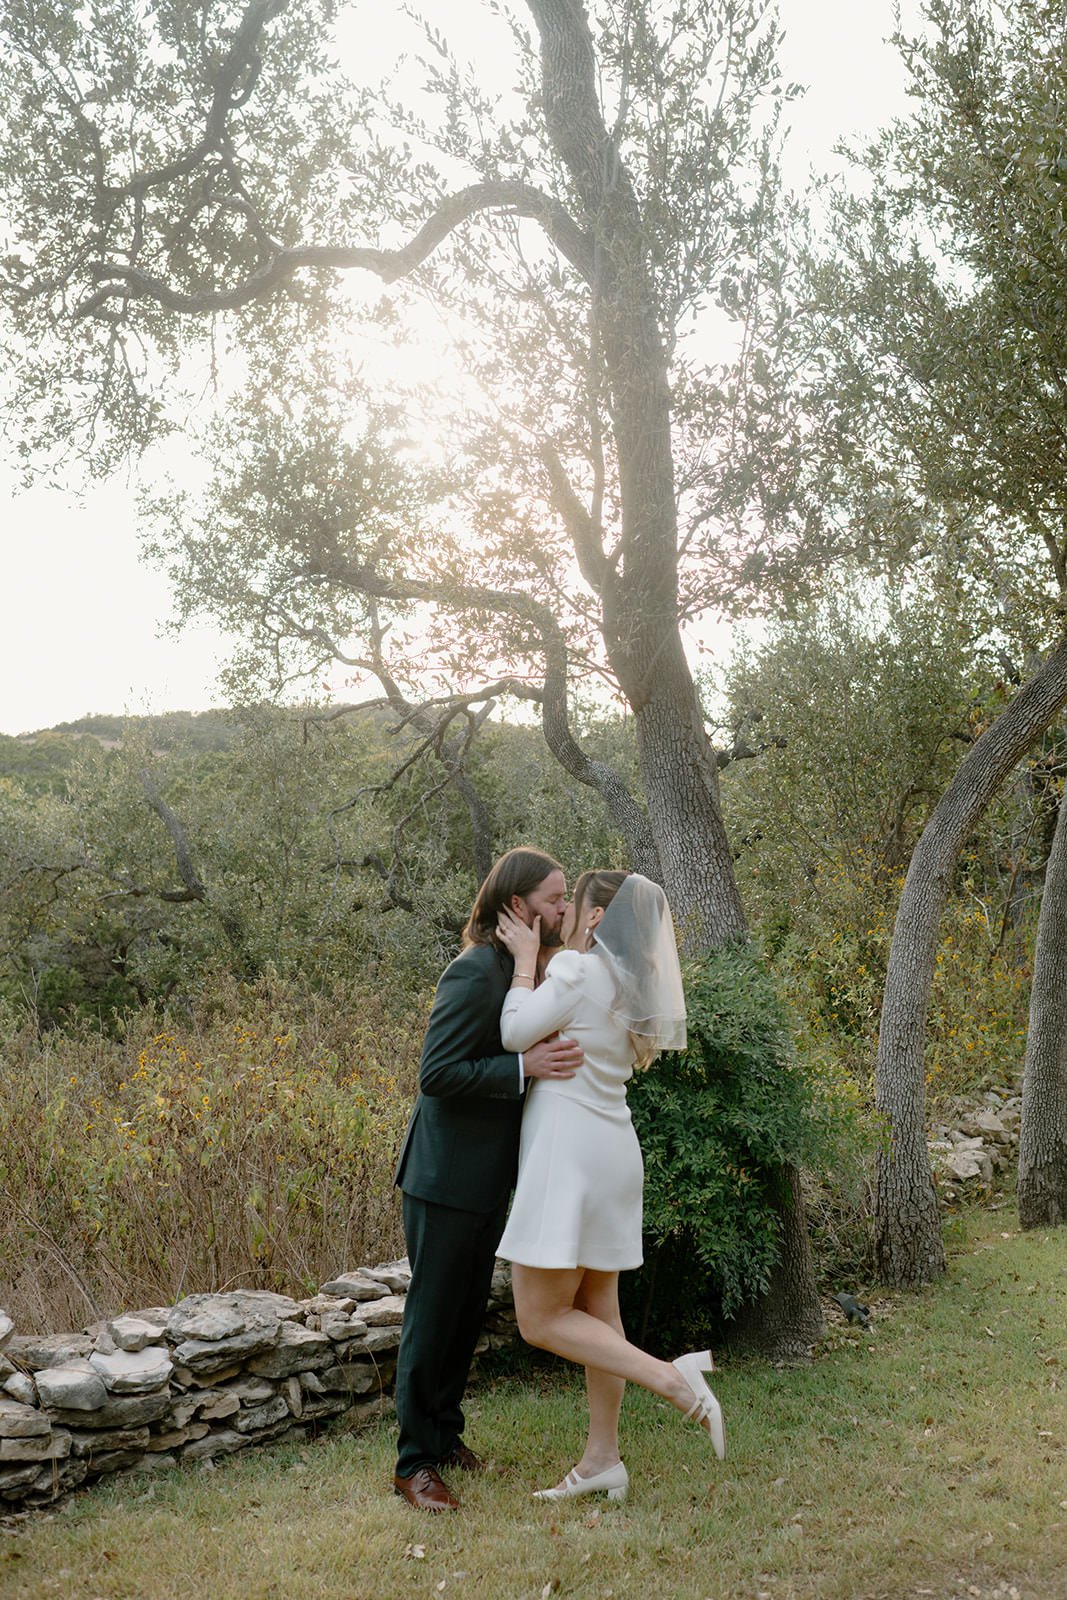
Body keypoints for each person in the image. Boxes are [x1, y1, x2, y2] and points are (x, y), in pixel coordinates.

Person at [495, 869, 725, 1503]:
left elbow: (514, 1034)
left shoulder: (577, 970)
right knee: (601, 1309)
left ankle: (675, 1381)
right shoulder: (630, 984)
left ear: (596, 920)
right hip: (614, 1152)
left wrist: (522, 966)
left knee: (538, 1318)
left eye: (577, 906)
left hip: (567, 1153)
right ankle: (603, 1459)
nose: (565, 913)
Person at [391, 847, 585, 1512]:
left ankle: (445, 1438)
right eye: (554, 900)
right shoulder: (475, 971)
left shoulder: (524, 973)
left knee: (464, 1318)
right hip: (442, 1178)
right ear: (515, 906)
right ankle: (413, 1463)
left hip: (486, 1181)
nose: (562, 910)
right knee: (432, 1320)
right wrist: (523, 1067)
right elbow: (436, 1075)